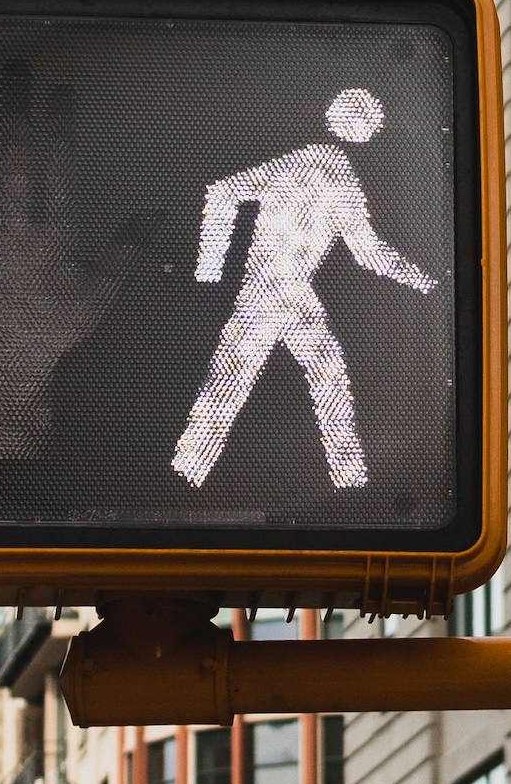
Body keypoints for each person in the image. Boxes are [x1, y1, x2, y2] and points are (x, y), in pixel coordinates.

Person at [172, 88, 435, 488]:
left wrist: (421, 279)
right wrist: (209, 270)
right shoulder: (312, 168)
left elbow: (366, 252)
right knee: (240, 381)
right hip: (270, 287)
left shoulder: (329, 174)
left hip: (286, 290)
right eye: (364, 122)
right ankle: (188, 470)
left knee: (315, 372)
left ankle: (348, 479)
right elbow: (224, 192)